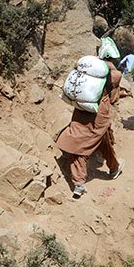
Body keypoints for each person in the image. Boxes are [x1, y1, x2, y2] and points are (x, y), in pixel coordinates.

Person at [56, 49, 125, 198]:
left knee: (99, 140)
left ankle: (114, 167)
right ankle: (79, 183)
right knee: (82, 145)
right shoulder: (115, 75)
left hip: (81, 110)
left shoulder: (89, 70)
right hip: (99, 114)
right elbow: (114, 99)